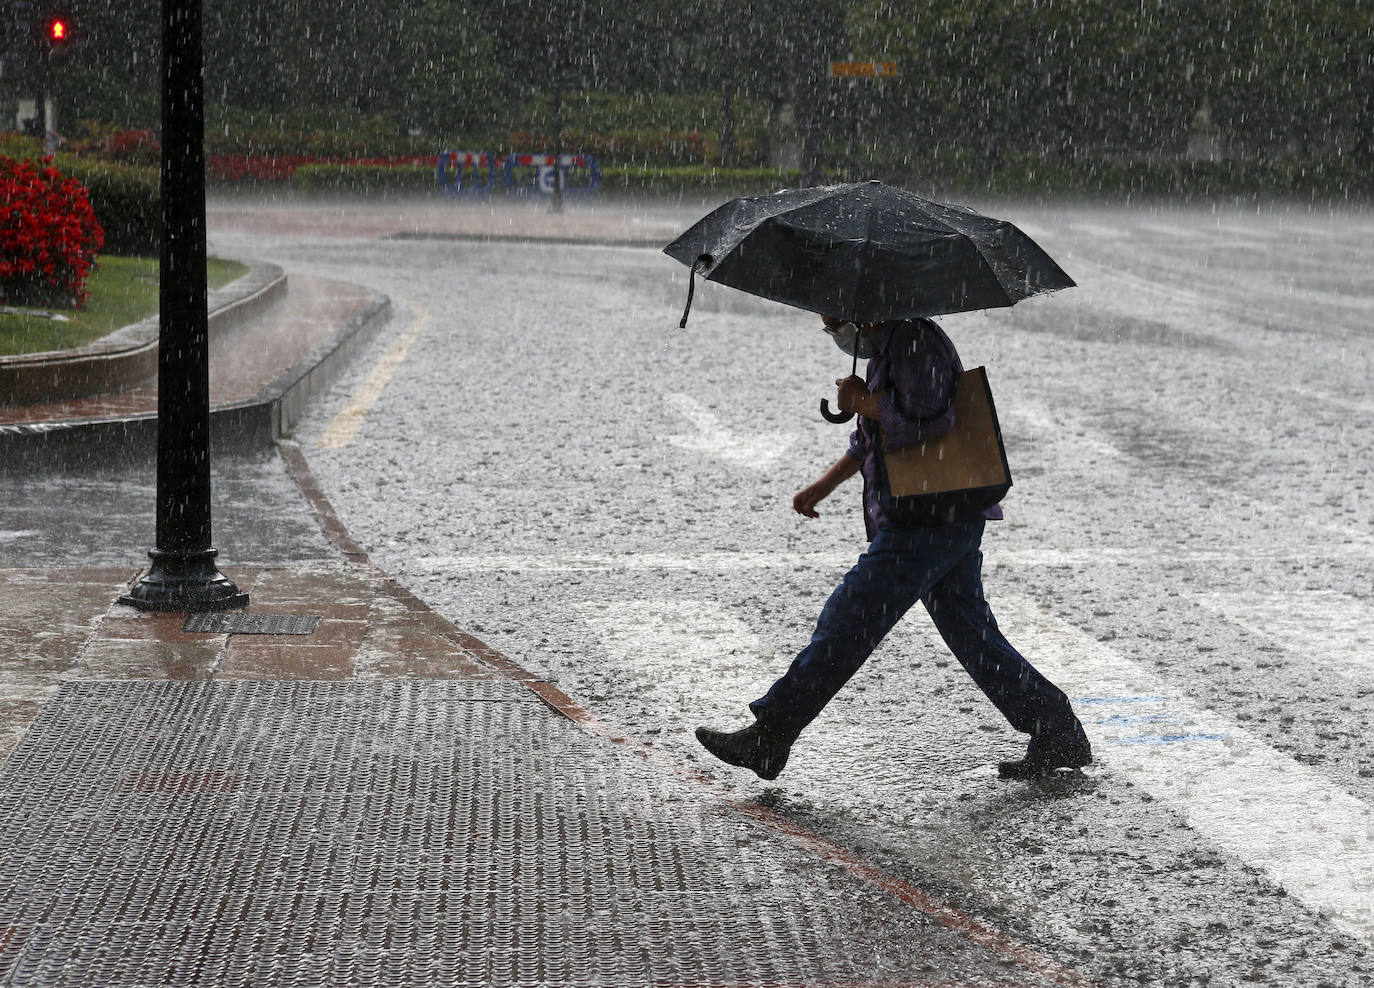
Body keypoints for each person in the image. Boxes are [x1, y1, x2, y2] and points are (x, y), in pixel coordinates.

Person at [695, 314, 1090, 781]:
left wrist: (866, 401)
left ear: (866, 307)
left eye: (837, 322)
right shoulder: (888, 348)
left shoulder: (916, 343)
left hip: (926, 518)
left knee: (849, 616)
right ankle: (1057, 729)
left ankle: (772, 734)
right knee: (972, 633)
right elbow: (868, 442)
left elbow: (932, 419)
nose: (837, 333)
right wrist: (822, 485)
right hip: (939, 516)